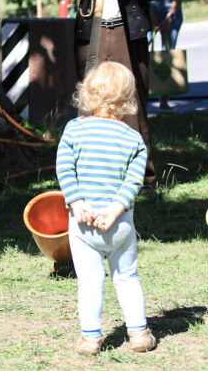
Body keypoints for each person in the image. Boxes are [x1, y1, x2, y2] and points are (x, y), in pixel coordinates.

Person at [56, 61, 156, 356]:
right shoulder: (132, 138)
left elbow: (64, 169)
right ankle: (138, 334)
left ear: (87, 95)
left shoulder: (74, 130)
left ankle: (90, 339)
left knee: (89, 281)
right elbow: (134, 179)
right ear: (128, 100)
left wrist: (76, 201)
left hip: (83, 221)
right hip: (119, 222)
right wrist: (115, 207)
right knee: (126, 277)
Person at [71, 0, 157, 192]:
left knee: (133, 98)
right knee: (90, 97)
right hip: (92, 27)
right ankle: (88, 171)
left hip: (127, 30)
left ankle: (143, 177)